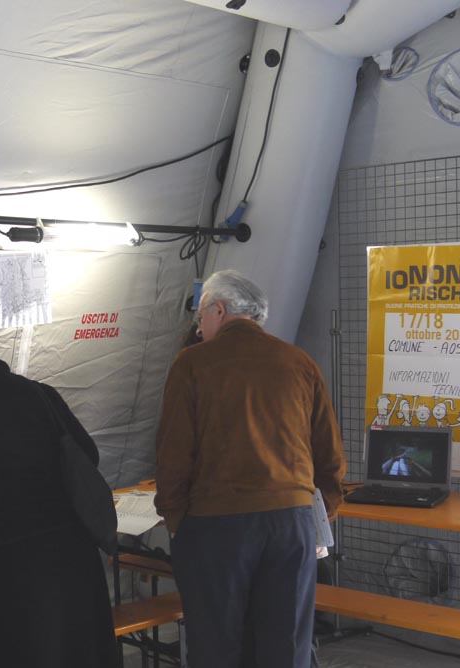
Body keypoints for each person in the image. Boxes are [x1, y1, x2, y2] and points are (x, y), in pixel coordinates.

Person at [154, 269, 346, 668]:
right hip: (291, 522)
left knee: (217, 643)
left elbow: (174, 451)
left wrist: (174, 518)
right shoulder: (299, 362)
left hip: (215, 524)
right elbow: (329, 453)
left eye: (201, 316)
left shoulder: (192, 364)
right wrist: (319, 514)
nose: (199, 327)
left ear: (219, 310)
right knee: (286, 643)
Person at [0, 345, 117, 668]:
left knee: (20, 652)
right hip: (73, 546)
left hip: (6, 560)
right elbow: (88, 453)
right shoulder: (39, 392)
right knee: (80, 650)